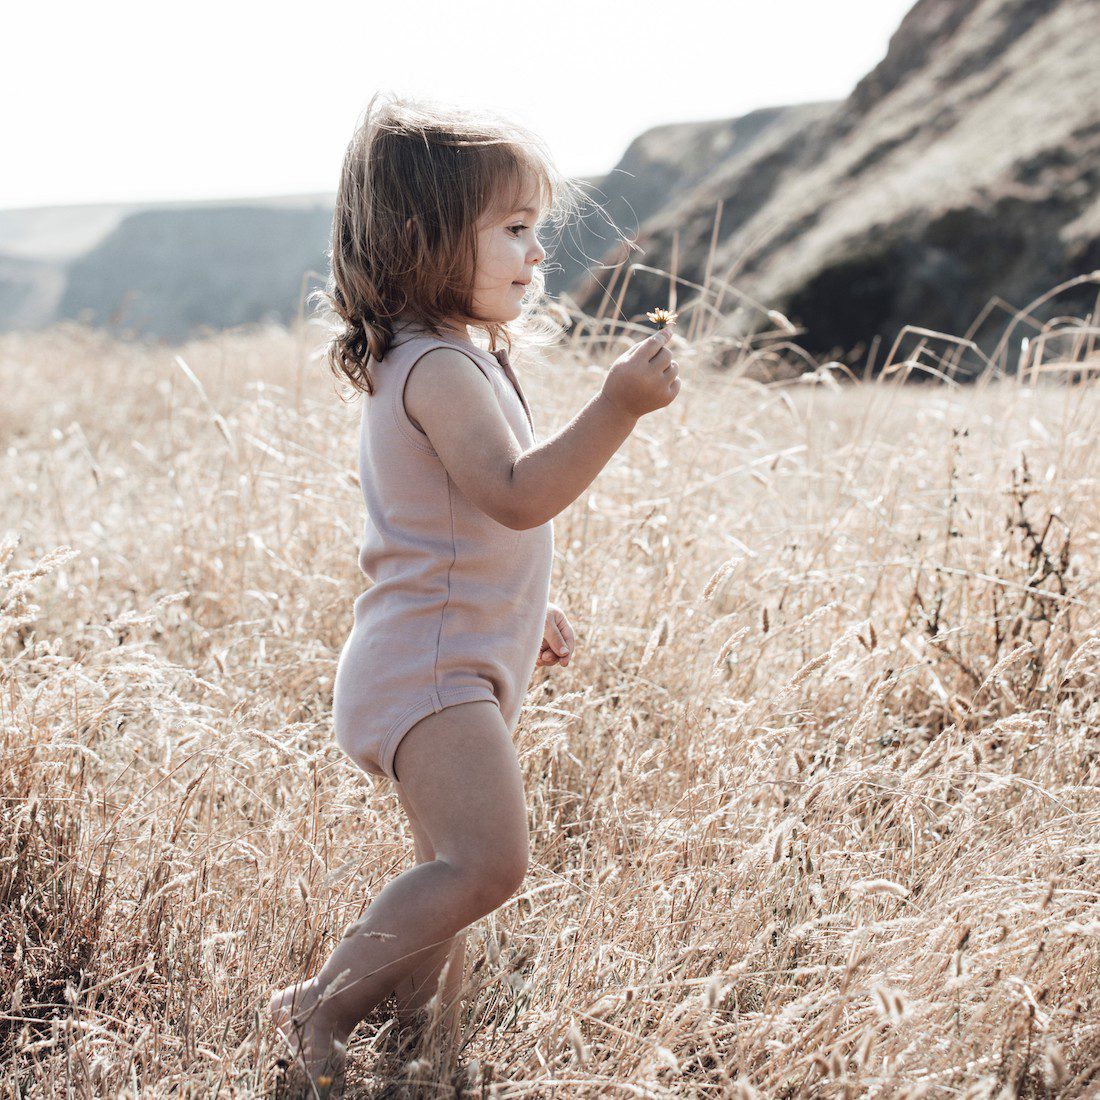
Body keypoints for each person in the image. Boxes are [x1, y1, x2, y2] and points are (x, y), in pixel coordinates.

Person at [268, 91, 681, 1092]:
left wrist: (524, 603)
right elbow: (513, 492)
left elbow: (456, 524)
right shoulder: (439, 368)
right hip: (427, 669)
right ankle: (314, 1008)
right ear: (423, 238)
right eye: (514, 229)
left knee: (446, 881)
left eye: (538, 228)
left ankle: (414, 1041)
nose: (538, 253)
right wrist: (617, 405)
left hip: (446, 655)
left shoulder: (464, 356)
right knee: (485, 867)